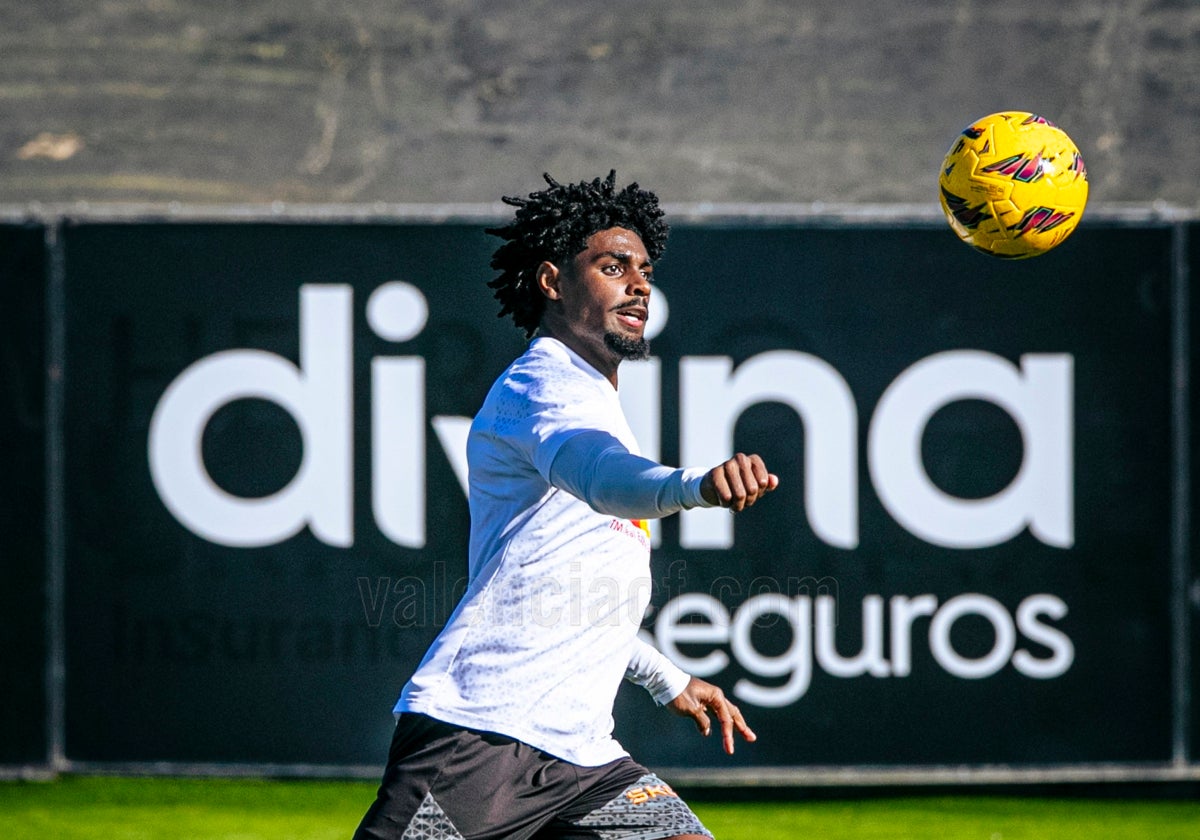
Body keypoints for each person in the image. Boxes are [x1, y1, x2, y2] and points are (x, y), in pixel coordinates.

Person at [354, 171, 778, 840]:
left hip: (583, 760)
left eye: (644, 270)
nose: (639, 284)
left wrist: (665, 676)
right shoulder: (543, 384)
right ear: (553, 281)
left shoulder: (594, 396)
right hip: (478, 740)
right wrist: (694, 484)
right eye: (613, 267)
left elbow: (572, 599)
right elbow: (604, 477)